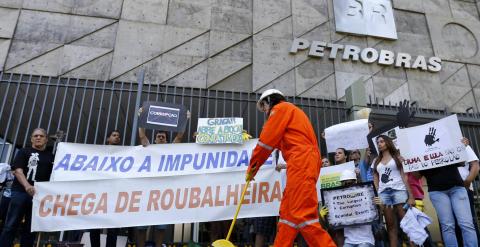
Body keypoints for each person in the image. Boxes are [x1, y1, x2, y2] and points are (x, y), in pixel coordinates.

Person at [245, 89, 335, 247]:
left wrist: (252, 168)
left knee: (303, 215)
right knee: (288, 216)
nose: (265, 111)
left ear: (269, 101)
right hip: (302, 161)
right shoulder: (291, 112)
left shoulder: (280, 109)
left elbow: (266, 143)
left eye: (264, 106)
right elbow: (275, 142)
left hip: (301, 161)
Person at [411, 138, 478, 247]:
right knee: (447, 226)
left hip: (456, 188)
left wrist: (462, 148)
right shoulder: (420, 153)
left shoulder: (447, 144)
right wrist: (408, 163)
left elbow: (461, 162)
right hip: (437, 192)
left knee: (466, 224)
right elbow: (417, 175)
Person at [0, 128, 54, 247]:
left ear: (46, 139)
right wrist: (27, 186)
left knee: (31, 229)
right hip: (20, 193)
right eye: (35, 136)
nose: (38, 138)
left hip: (39, 196)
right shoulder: (24, 152)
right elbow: (18, 171)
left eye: (41, 136)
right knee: (10, 225)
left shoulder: (51, 157)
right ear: (31, 139)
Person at [371, 135, 414, 247]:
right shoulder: (376, 161)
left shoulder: (397, 157)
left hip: (399, 191)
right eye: (378, 142)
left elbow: (404, 176)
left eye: (382, 141)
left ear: (388, 142)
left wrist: (411, 196)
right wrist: (377, 196)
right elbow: (375, 180)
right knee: (391, 226)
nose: (379, 144)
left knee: (407, 224)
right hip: (384, 194)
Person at [320, 170, 377, 247]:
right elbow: (329, 226)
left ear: (355, 182)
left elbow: (379, 216)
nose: (347, 185)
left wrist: (380, 205)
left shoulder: (366, 195)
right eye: (344, 183)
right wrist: (323, 217)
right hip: (349, 242)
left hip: (366, 240)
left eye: (350, 183)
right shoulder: (337, 202)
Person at [89, 130, 122, 247]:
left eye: (118, 136)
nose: (117, 137)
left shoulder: (124, 154)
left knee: (113, 228)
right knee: (95, 227)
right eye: (114, 135)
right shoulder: (99, 153)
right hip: (98, 194)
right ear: (108, 139)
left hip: (114, 195)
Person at [457, 137, 480, 244]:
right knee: (452, 224)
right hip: (445, 189)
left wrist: (467, 183)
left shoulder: (461, 143)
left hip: (463, 189)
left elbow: (475, 165)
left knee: (469, 221)